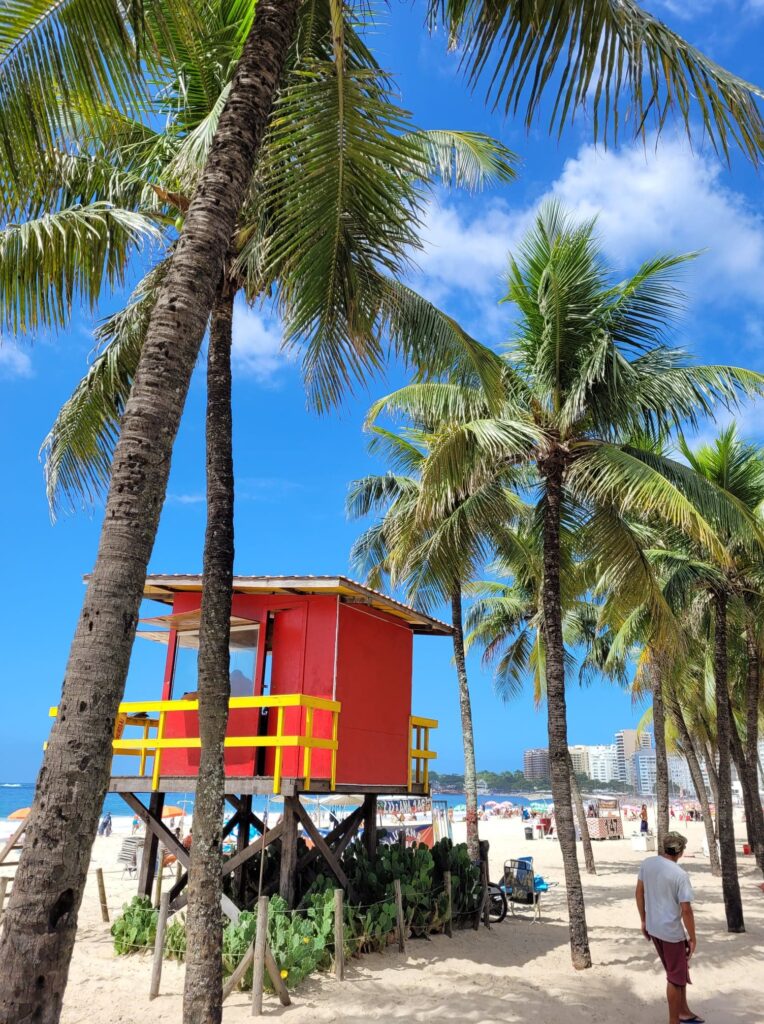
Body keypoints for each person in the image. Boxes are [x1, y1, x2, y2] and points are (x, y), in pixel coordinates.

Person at [636, 831, 702, 1024]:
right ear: (680, 852)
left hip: (654, 927)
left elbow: (639, 892)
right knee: (675, 977)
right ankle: (674, 1020)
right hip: (670, 933)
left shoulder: (648, 863)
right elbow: (686, 910)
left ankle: (683, 1011)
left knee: (678, 971)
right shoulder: (680, 875)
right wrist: (693, 937)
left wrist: (643, 920)